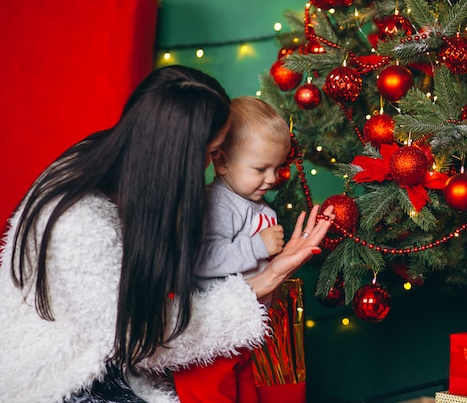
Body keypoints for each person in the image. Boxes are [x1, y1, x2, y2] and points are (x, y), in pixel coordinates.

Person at [0, 65, 334, 403]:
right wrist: (263, 281)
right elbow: (141, 341)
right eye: (209, 152)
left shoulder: (122, 168)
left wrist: (270, 274)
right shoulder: (81, 223)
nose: (210, 164)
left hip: (122, 351)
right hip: (67, 374)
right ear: (180, 155)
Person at [172, 96, 292, 403]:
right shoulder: (217, 202)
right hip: (211, 334)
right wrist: (258, 245)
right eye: (260, 168)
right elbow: (202, 259)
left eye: (277, 168)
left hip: (246, 329)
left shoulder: (258, 206)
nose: (272, 178)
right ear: (222, 161)